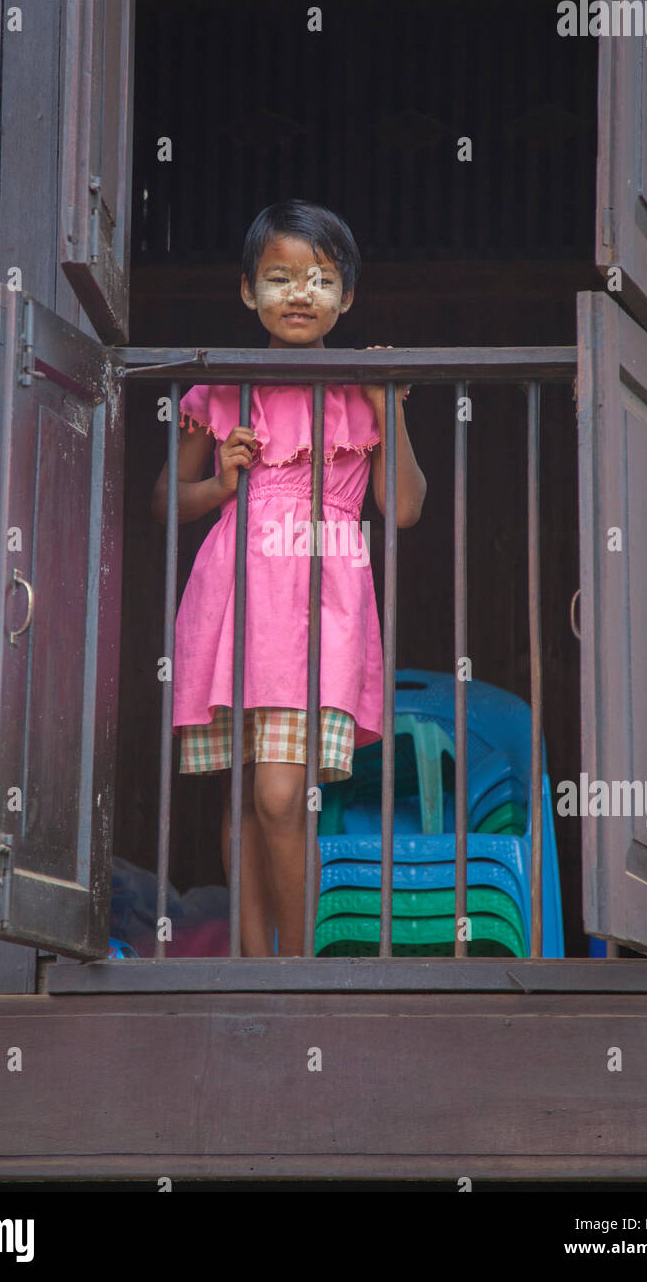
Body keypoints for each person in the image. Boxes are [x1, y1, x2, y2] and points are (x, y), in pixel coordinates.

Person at [151, 199, 427, 956]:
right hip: (234, 605)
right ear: (248, 292)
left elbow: (400, 508)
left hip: (321, 612)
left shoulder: (360, 393)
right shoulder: (218, 389)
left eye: (322, 280)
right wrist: (221, 486)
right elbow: (166, 501)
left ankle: (303, 971)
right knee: (244, 794)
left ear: (346, 297)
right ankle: (248, 963)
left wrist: (390, 401)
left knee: (281, 794)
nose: (301, 294)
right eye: (280, 277)